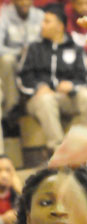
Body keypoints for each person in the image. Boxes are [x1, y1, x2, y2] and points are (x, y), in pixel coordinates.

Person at [17, 4, 87, 154]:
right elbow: (22, 77)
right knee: (46, 100)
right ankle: (58, 150)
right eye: (43, 21)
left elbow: (84, 79)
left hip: (66, 97)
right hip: (39, 99)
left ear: (60, 26)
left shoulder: (76, 48)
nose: (42, 25)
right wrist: (38, 87)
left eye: (47, 21)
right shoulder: (34, 48)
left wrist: (72, 86)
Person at [0, 0, 44, 134]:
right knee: (7, 60)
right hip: (14, 59)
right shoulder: (4, 15)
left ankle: (35, 99)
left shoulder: (40, 15)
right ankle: (12, 109)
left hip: (36, 60)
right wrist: (19, 53)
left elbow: (48, 43)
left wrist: (31, 54)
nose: (25, 3)